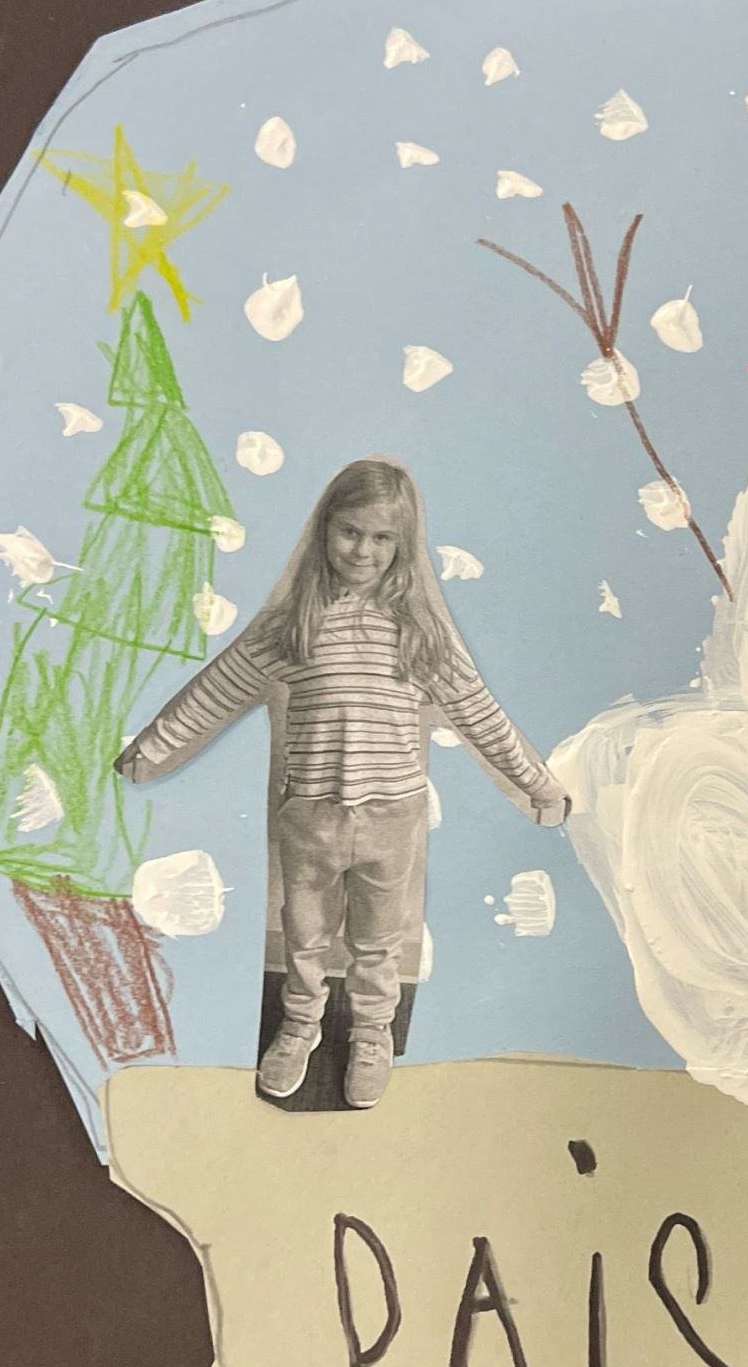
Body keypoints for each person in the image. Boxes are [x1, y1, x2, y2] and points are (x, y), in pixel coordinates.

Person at [115, 456, 567, 1109]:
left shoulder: (419, 632)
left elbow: (479, 713)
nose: (363, 550)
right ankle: (300, 1024)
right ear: (325, 528)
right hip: (310, 819)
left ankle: (372, 1033)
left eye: (382, 538)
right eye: (350, 531)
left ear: (403, 545)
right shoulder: (293, 624)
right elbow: (215, 691)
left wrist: (538, 786)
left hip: (392, 820)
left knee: (378, 942)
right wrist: (148, 754)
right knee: (304, 938)